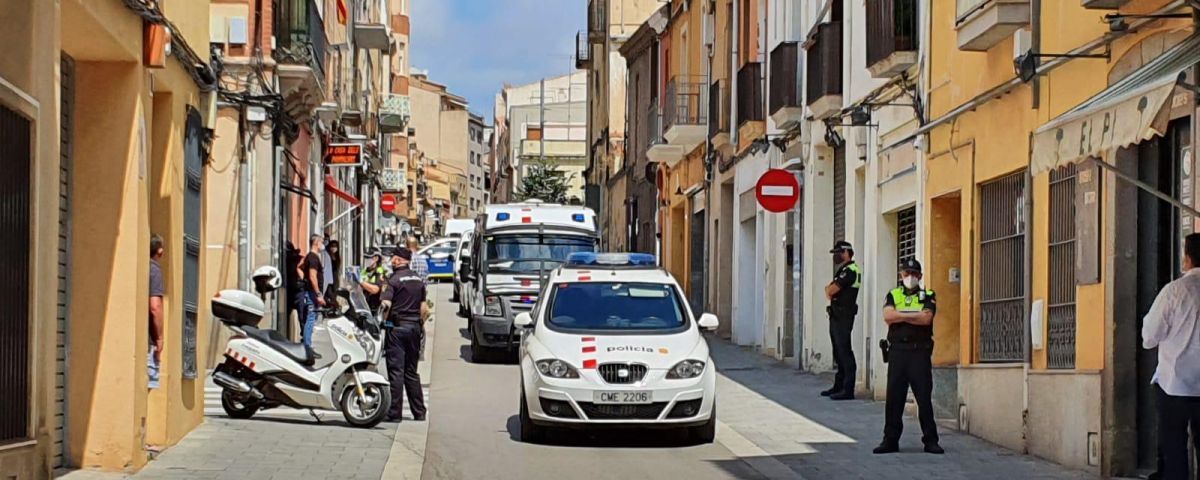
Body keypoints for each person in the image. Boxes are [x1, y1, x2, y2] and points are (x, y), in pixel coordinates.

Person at [1142, 233, 1200, 480]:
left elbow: (1149, 337)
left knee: (1174, 445)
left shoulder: (1174, 291)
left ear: (1187, 258)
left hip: (1174, 383)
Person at [874, 258, 943, 455]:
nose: (910, 277)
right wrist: (913, 316)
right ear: (901, 275)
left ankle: (931, 441)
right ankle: (890, 440)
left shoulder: (928, 295)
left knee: (923, 398)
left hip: (919, 352)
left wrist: (901, 315)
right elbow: (888, 316)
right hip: (897, 352)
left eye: (914, 274)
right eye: (906, 273)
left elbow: (927, 318)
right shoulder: (893, 294)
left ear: (920, 276)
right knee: (894, 398)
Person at [381, 247, 429, 422]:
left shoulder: (393, 280)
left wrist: (384, 322)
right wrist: (419, 324)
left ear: (398, 260)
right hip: (415, 327)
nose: (391, 261)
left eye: (393, 258)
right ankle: (419, 412)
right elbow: (424, 308)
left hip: (397, 328)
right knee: (411, 372)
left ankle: (394, 413)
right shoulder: (418, 279)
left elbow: (386, 304)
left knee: (396, 371)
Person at [822, 240, 862, 400]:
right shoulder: (843, 270)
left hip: (844, 316)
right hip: (836, 315)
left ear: (846, 253)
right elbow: (829, 290)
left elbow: (830, 290)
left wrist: (830, 289)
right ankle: (838, 386)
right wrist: (829, 289)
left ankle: (847, 389)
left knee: (844, 351)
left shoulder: (850, 270)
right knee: (838, 352)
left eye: (838, 253)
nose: (835, 256)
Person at [296, 234, 326, 347]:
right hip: (313, 293)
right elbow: (313, 276)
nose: (323, 245)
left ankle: (307, 344)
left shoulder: (309, 256)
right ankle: (307, 346)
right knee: (311, 318)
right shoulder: (313, 258)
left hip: (311, 292)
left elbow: (299, 266)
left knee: (311, 317)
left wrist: (303, 278)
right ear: (317, 243)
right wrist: (318, 294)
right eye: (322, 242)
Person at [148, 234, 166, 389]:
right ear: (160, 251)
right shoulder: (154, 270)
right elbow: (155, 306)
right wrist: (159, 338)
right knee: (148, 383)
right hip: (148, 340)